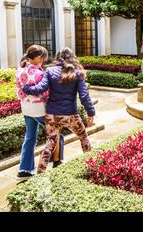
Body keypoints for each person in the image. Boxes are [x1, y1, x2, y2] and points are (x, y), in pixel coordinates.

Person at [22, 47, 95, 174]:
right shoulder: (78, 73)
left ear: (57, 57)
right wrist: (91, 112)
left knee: (50, 143)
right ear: (72, 57)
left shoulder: (50, 71)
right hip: (71, 115)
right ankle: (92, 166)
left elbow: (40, 88)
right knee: (83, 137)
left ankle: (40, 172)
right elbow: (84, 96)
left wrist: (25, 88)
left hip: (52, 115)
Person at [15, 45, 64, 179]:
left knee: (30, 138)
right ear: (38, 58)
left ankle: (24, 170)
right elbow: (45, 93)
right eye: (43, 57)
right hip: (40, 109)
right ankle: (57, 163)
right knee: (56, 134)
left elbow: (19, 90)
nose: (44, 59)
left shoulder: (20, 70)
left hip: (26, 108)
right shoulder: (40, 73)